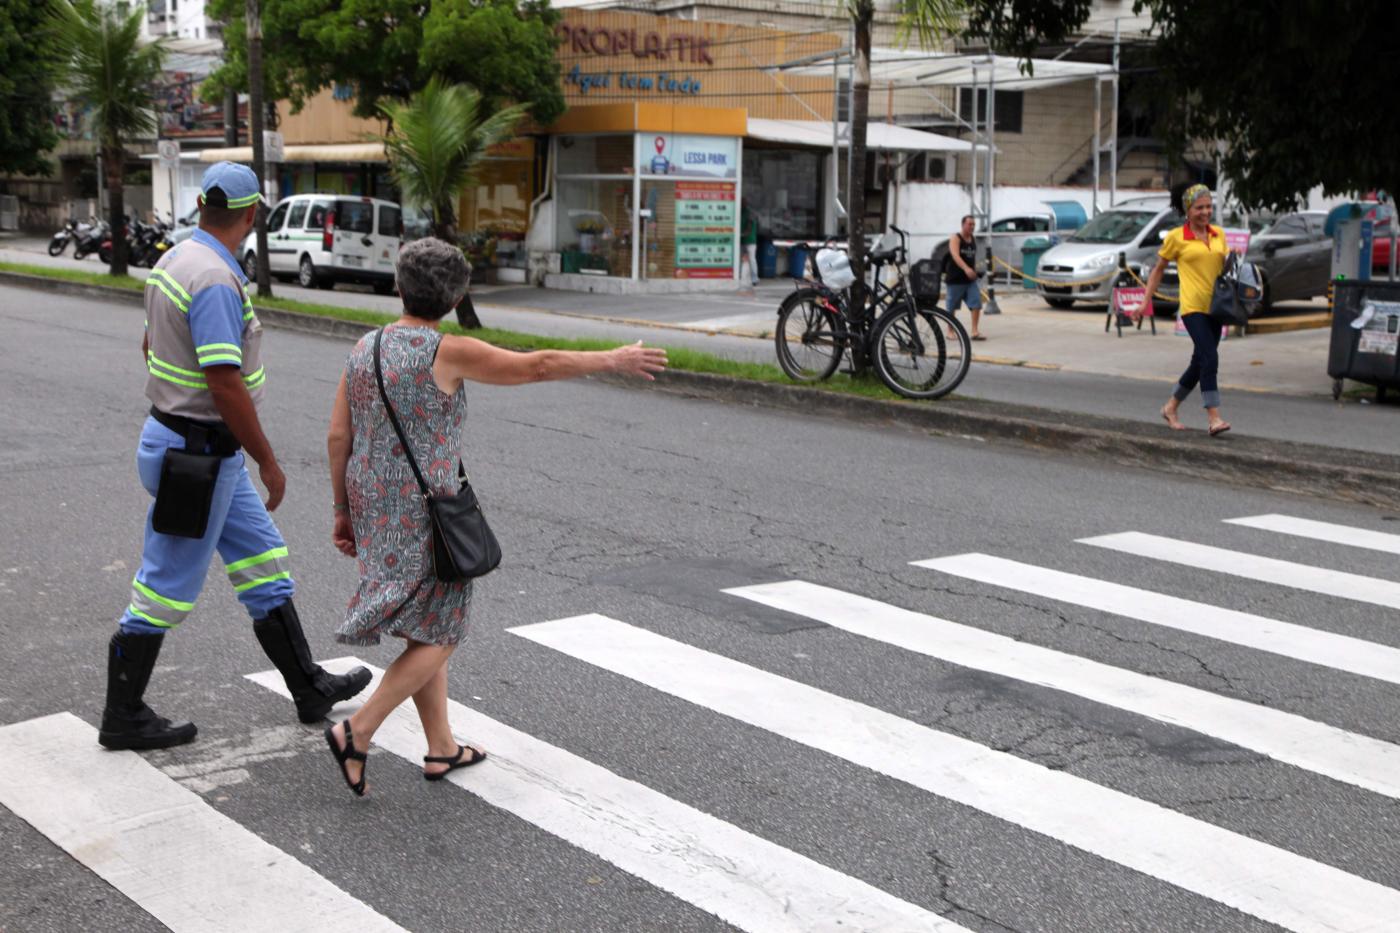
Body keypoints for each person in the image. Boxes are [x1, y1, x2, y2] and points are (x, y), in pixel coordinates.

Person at [323, 238, 667, 796]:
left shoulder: (365, 346)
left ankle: (441, 747)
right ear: (458, 295)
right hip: (426, 509)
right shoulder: (446, 351)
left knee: (427, 624)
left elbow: (340, 433)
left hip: (373, 500)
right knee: (444, 630)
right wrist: (614, 359)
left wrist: (342, 509)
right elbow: (536, 367)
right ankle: (358, 731)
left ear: (397, 286)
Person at [98, 162, 371, 751]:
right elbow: (225, 383)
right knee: (165, 587)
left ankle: (309, 687)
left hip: (195, 450)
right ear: (251, 216)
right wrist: (267, 460)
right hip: (196, 458)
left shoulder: (174, 259)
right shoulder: (217, 279)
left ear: (202, 207)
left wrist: (183, 407)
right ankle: (122, 714)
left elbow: (151, 345)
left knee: (264, 561)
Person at [1144, 184, 1232, 436]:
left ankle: (1170, 407)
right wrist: (1144, 302)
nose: (1205, 212)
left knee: (1199, 362)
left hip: (1216, 307)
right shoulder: (1176, 237)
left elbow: (1224, 269)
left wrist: (1232, 259)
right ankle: (1214, 417)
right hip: (1193, 307)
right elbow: (1158, 270)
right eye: (1199, 207)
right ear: (1187, 210)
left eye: (1208, 206)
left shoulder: (1218, 235)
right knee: (1210, 358)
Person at [944, 214, 985, 340]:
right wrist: (966, 268)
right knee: (952, 306)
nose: (972, 226)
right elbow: (955, 256)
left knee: (976, 303)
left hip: (969, 280)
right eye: (969, 224)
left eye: (973, 224)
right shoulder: (955, 238)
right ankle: (950, 331)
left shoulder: (972, 239)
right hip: (955, 279)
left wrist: (974, 271)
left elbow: (971, 258)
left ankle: (974, 331)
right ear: (963, 225)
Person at [740, 205, 759, 287]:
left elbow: (748, 229)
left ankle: (754, 279)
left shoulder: (749, 215)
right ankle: (744, 277)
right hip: (744, 241)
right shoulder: (743, 213)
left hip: (750, 241)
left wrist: (741, 234)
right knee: (747, 260)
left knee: (751, 260)